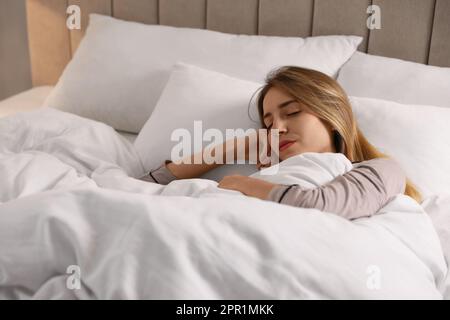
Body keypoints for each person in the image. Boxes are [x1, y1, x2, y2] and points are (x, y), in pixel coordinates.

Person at [139, 66, 421, 220]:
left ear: (332, 116)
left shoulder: (383, 169)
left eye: (292, 112)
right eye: (269, 123)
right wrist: (239, 146)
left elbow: (324, 206)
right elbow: (145, 186)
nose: (278, 128)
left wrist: (241, 182)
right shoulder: (268, 175)